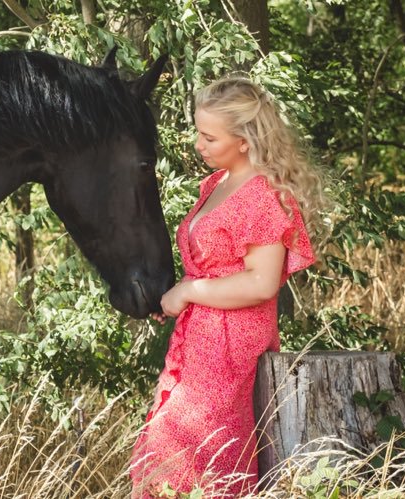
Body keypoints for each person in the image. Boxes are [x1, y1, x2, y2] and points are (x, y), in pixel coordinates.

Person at [129, 75, 327, 497]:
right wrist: (178, 295)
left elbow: (262, 283)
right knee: (170, 451)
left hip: (231, 341)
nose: (199, 145)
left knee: (198, 453)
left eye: (209, 137)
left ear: (244, 140)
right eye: (198, 132)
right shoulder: (217, 184)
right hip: (201, 334)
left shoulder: (261, 194)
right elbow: (214, 266)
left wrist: (189, 292)